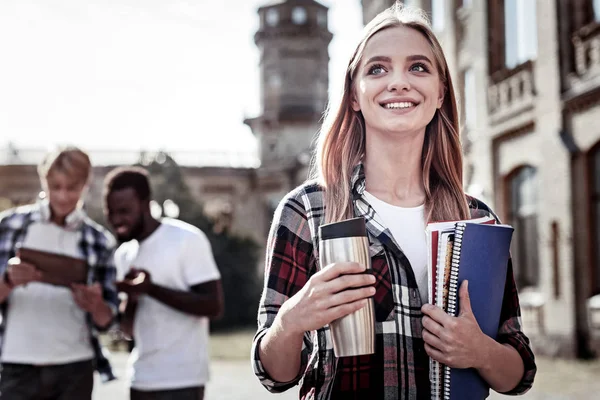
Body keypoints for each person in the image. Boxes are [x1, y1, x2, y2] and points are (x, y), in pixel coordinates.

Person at [252, 3, 536, 399]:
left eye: (418, 67)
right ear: (354, 95)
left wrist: (480, 352)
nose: (399, 82)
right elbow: (275, 376)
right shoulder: (306, 211)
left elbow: (517, 374)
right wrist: (291, 321)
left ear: (440, 93)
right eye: (378, 69)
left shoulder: (476, 220)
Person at [0, 146, 119, 400]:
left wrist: (96, 304)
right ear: (44, 181)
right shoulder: (9, 226)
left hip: (74, 367)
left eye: (72, 188)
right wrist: (9, 281)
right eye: (56, 187)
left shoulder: (99, 240)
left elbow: (108, 321)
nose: (63, 196)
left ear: (85, 185)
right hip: (17, 365)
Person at [103, 166, 224, 400]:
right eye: (111, 212)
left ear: (146, 204)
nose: (117, 220)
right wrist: (133, 298)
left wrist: (151, 289)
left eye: (124, 211)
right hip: (140, 378)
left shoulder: (186, 239)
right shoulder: (124, 255)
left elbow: (213, 306)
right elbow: (128, 331)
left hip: (184, 380)